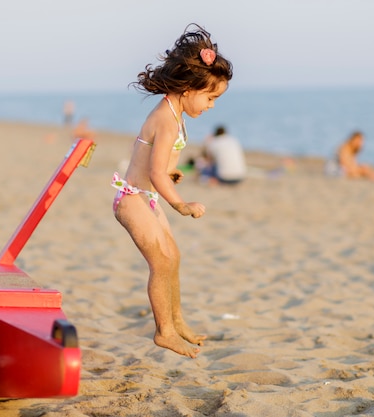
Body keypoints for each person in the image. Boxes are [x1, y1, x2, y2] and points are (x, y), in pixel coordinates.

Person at [111, 24, 232, 358]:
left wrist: (171, 173)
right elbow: (152, 172)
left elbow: (159, 165)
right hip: (132, 198)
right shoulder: (166, 117)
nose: (211, 105)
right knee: (161, 262)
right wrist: (181, 204)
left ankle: (178, 322)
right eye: (210, 97)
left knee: (173, 257)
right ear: (189, 88)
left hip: (146, 195)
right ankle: (164, 331)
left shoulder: (177, 113)